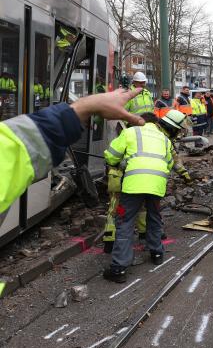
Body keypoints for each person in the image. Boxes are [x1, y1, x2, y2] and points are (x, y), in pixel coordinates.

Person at [0, 89, 144, 226]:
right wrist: (84, 107)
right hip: (149, 186)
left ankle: (112, 240)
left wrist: (82, 108)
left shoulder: (127, 134)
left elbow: (111, 157)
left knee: (119, 214)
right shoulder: (155, 136)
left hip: (126, 184)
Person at [102, 111, 192, 253]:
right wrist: (184, 174)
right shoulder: (160, 136)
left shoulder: (140, 132)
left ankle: (124, 239)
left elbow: (112, 156)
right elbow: (172, 161)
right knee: (119, 209)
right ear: (172, 128)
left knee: (121, 209)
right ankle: (112, 241)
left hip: (127, 176)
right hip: (123, 177)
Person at [103, 111, 176, 283]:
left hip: (134, 183)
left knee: (125, 221)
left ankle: (119, 268)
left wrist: (118, 163)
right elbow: (170, 162)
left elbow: (111, 154)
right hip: (157, 184)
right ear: (155, 123)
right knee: (154, 217)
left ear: (140, 121)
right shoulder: (163, 138)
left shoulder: (130, 132)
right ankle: (157, 253)